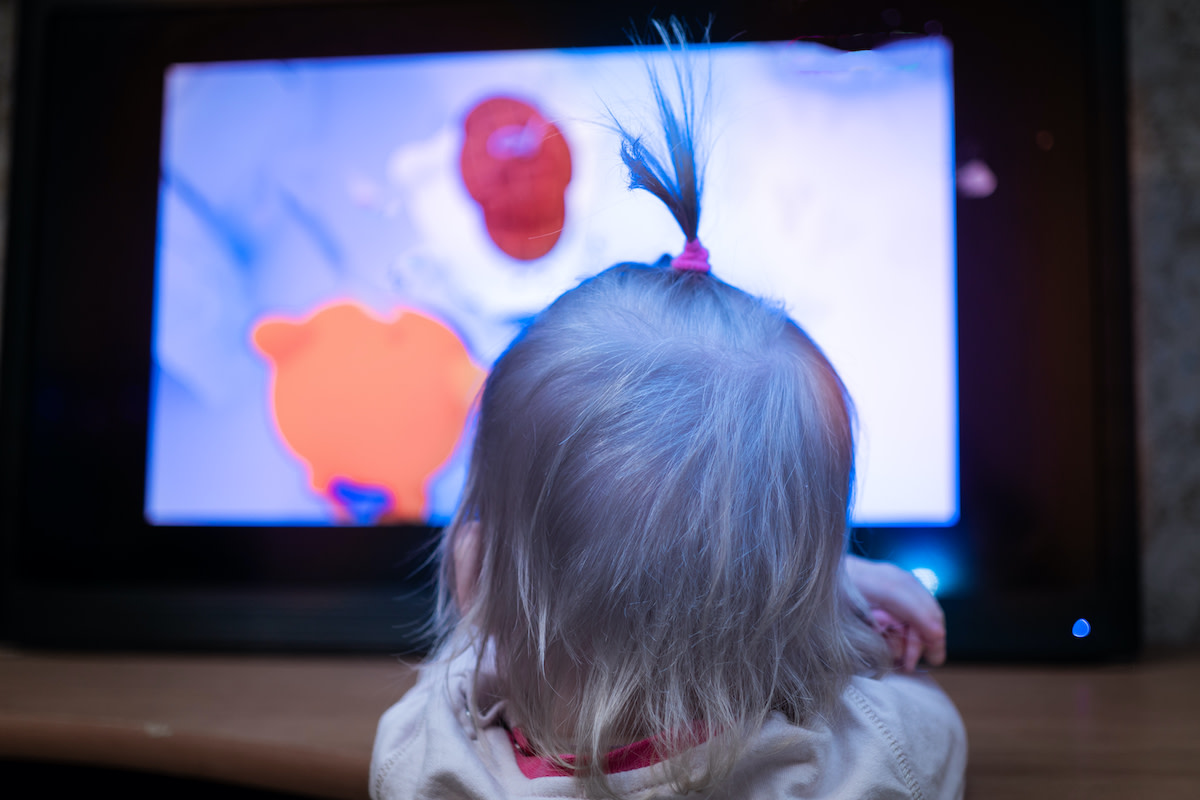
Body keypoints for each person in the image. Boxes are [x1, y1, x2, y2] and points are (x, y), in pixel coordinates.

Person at [371, 22, 966, 800]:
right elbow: (926, 719)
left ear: (482, 571)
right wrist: (828, 593)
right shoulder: (866, 766)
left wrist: (492, 617)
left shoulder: (426, 757)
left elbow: (456, 675)